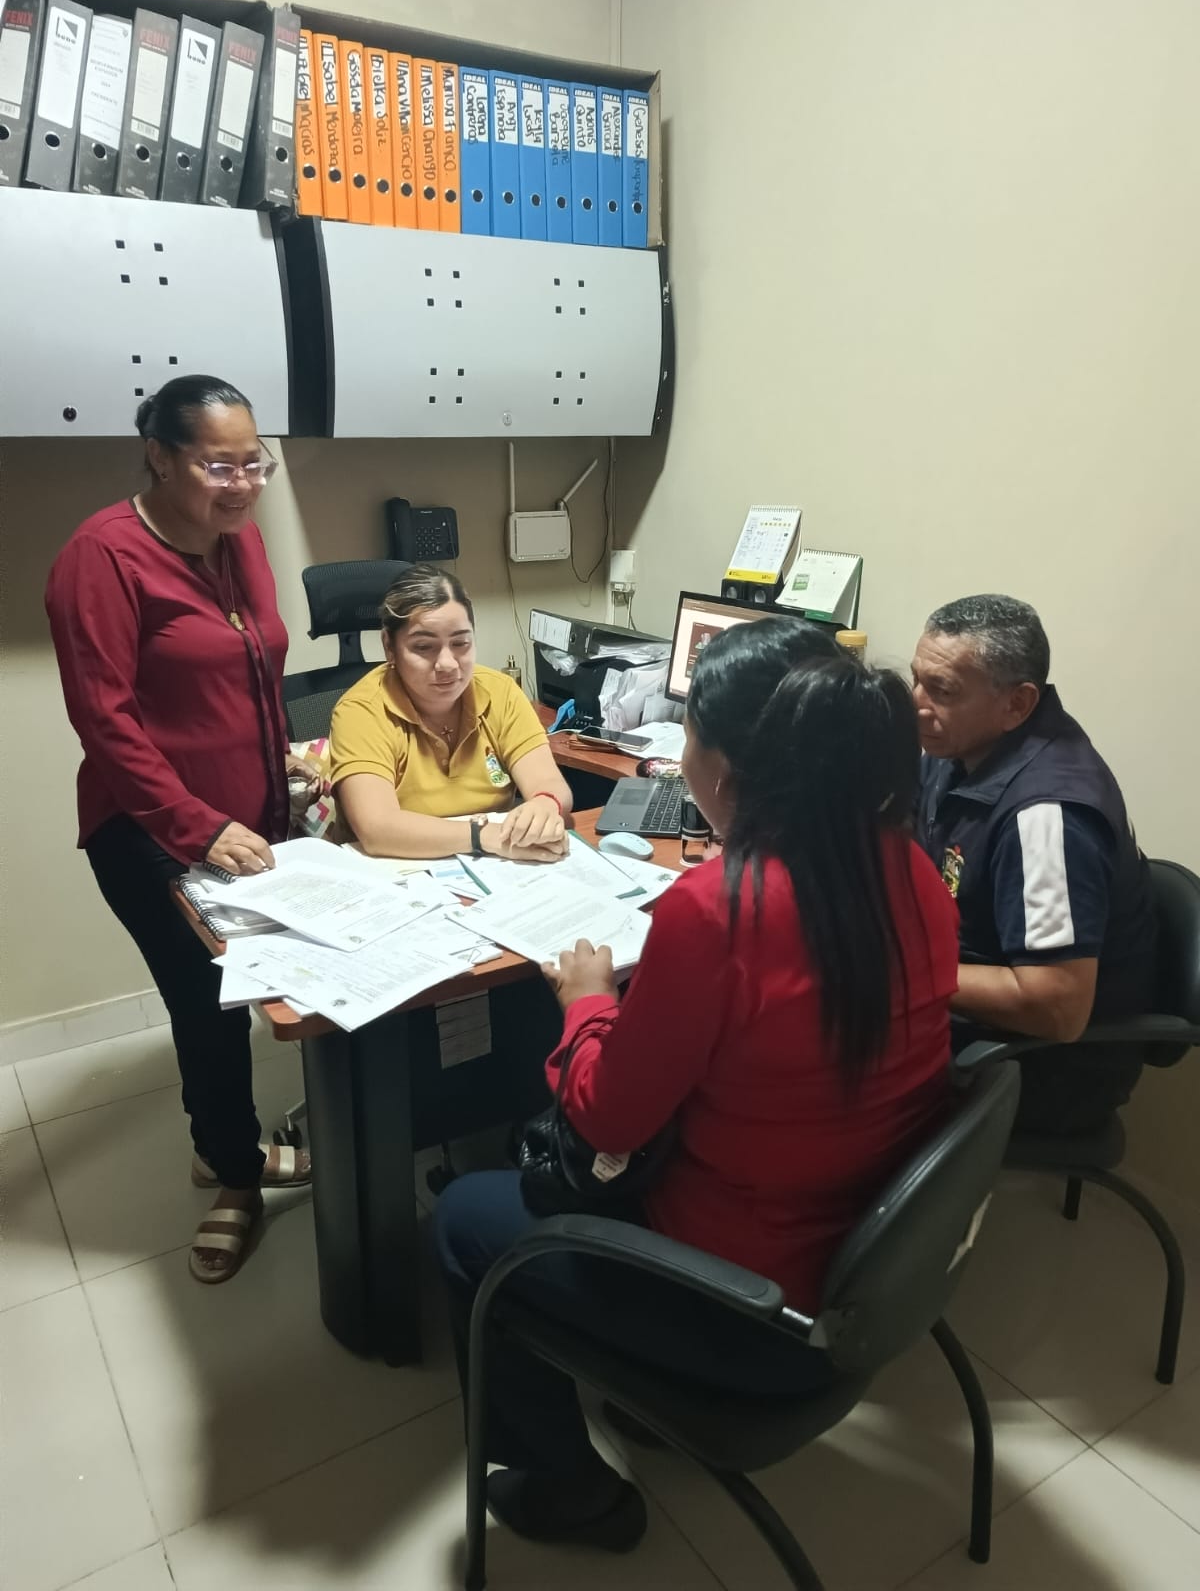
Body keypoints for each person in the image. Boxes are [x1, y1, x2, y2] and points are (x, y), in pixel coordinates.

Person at [434, 618, 960, 1555]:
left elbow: (606, 1120)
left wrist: (588, 1002)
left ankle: (570, 1490)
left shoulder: (716, 911)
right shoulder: (911, 866)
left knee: (466, 1217)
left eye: (689, 741)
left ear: (724, 770)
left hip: (748, 1309)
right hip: (869, 1268)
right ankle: (638, 1403)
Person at [45, 375, 320, 1285]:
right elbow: (106, 722)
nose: (243, 485)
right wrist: (198, 827)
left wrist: (283, 759)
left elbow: (250, 671)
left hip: (246, 819)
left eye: (254, 464)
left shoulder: (241, 544)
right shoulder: (101, 557)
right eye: (218, 466)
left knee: (257, 992)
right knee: (208, 1007)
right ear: (160, 457)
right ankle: (234, 1173)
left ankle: (223, 1145)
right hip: (150, 832)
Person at [911, 593, 1157, 1132]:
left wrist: (900, 972)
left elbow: (1058, 1007)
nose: (917, 703)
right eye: (917, 680)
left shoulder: (1046, 818)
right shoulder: (960, 751)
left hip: (1039, 1070)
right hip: (965, 1005)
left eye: (942, 691)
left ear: (1017, 705)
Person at [330, 564, 572, 860]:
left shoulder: (501, 692)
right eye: (423, 647)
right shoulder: (361, 711)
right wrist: (483, 837)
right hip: (392, 870)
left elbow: (549, 783)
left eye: (460, 643)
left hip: (495, 867)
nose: (447, 663)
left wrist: (545, 805)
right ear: (389, 647)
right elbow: (377, 828)